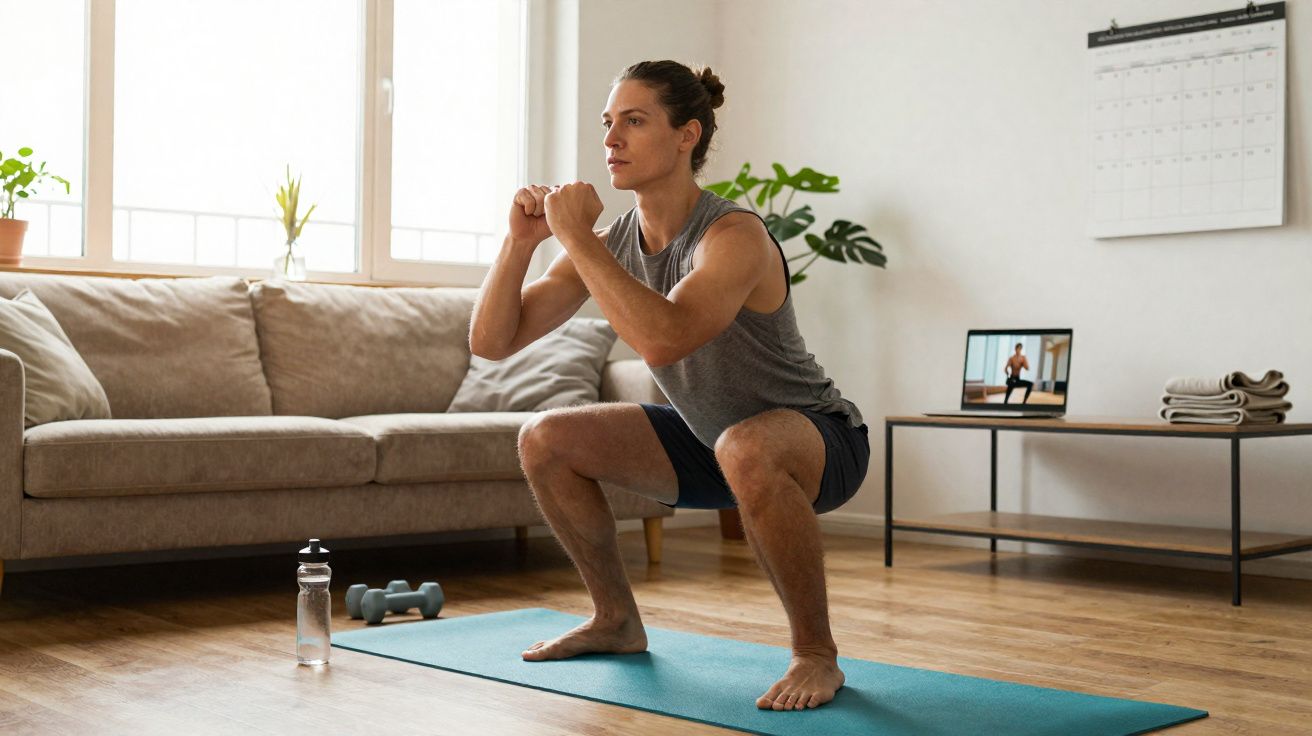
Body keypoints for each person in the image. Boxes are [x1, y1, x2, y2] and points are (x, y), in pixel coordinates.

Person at [468, 60, 869, 711]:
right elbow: (492, 343)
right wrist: (519, 244)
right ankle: (616, 621)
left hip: (819, 440)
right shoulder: (612, 242)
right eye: (607, 124)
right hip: (712, 444)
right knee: (545, 438)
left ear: (687, 134)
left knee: (746, 444)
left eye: (633, 121)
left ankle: (816, 656)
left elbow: (664, 336)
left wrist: (572, 235)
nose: (611, 140)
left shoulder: (733, 235)